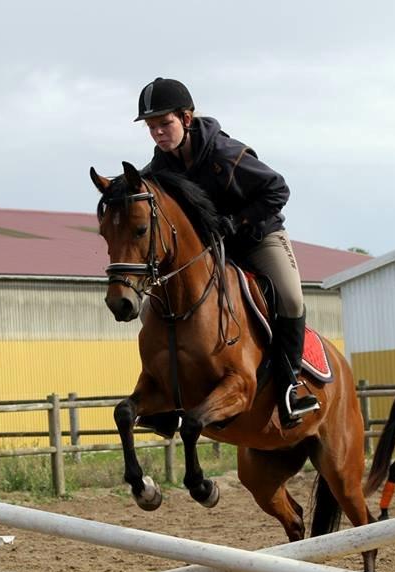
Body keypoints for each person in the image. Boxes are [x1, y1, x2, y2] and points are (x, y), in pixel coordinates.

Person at [135, 77, 318, 428]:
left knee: (291, 298)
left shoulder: (225, 154)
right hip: (213, 252)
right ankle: (168, 398)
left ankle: (290, 387)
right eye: (151, 127)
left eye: (164, 123)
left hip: (259, 236)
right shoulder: (159, 169)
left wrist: (238, 221)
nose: (158, 132)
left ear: (186, 119)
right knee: (150, 309)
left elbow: (277, 189)